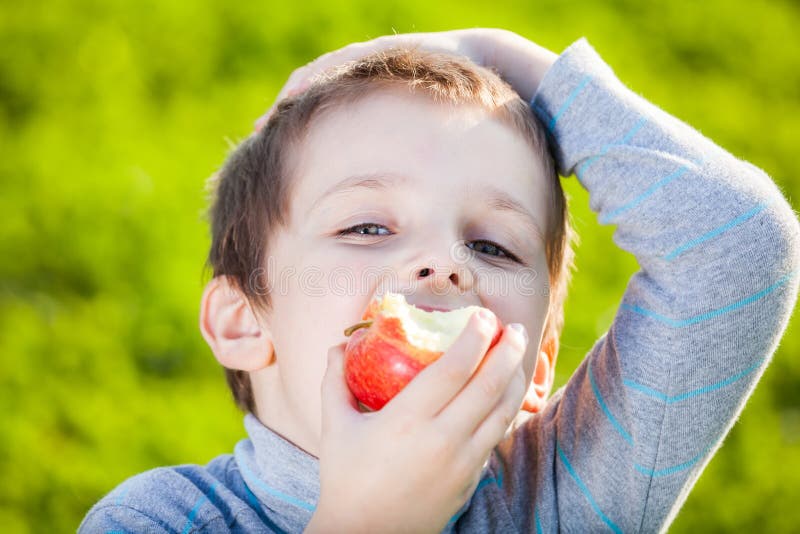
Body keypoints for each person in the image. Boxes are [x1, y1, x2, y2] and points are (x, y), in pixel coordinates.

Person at [80, 29, 800, 533]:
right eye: (367, 228)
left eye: (493, 245)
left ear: (536, 365)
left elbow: (738, 245)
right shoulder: (160, 519)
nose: (445, 263)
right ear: (245, 321)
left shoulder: (560, 494)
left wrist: (499, 54)